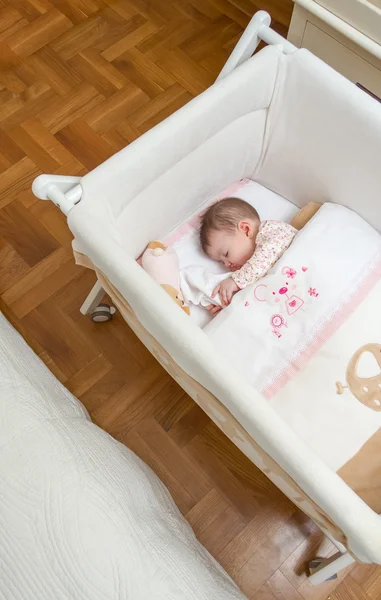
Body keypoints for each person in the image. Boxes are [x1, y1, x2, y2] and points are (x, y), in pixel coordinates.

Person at [200, 198, 296, 315]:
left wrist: (235, 281)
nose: (226, 264)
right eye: (221, 262)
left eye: (226, 254)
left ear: (246, 230)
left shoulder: (273, 232)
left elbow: (262, 261)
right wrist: (227, 306)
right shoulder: (249, 272)